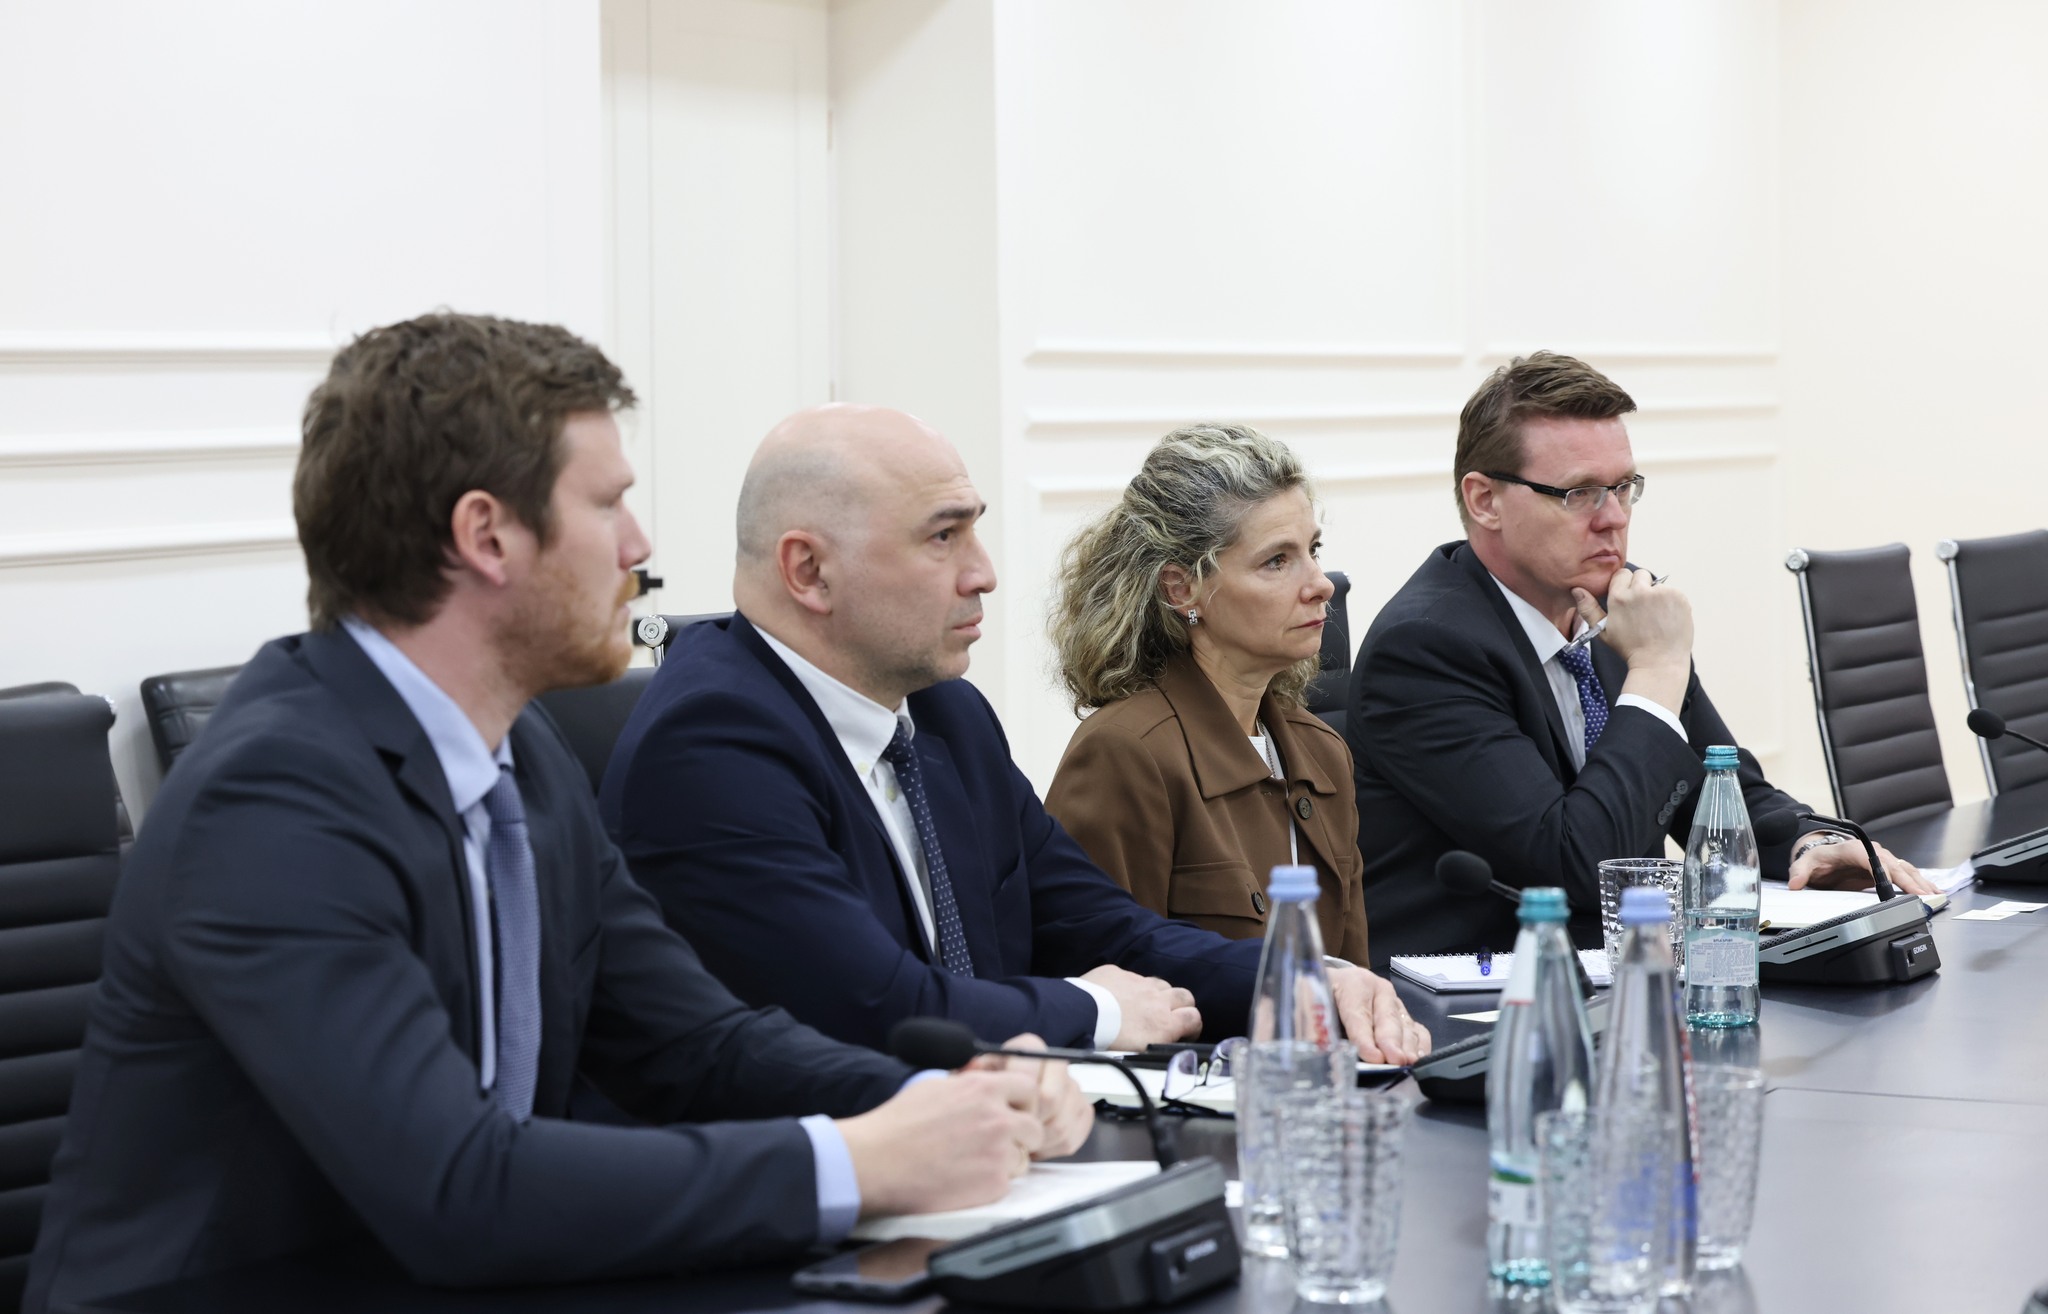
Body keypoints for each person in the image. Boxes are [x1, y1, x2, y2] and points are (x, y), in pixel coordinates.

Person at [25, 315, 1090, 1314]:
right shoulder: (274, 800)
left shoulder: (519, 750)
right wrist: (857, 1160)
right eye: (607, 505)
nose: (638, 544)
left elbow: (697, 1045)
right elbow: (455, 1187)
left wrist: (951, 1091)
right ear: (487, 535)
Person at [600, 404, 1428, 1064]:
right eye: (943, 536)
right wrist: (1098, 1009)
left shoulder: (948, 717)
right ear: (809, 571)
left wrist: (1303, 977)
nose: (984, 572)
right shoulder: (712, 742)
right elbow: (875, 1005)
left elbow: (1104, 926)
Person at [1343, 351, 1931, 962]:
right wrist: (1655, 670)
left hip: (1627, 976)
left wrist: (1810, 843)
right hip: (1481, 997)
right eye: (1579, 494)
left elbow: (1722, 789)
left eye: (1623, 488)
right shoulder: (1426, 649)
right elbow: (1579, 867)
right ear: (1485, 500)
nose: (1614, 519)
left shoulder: (1616, 606)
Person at [1042, 424, 1371, 965]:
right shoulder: (1125, 753)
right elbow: (1102, 976)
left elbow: (1353, 978)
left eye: (1313, 550)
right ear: (1182, 589)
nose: (1321, 584)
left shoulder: (1323, 751)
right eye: (1277, 560)